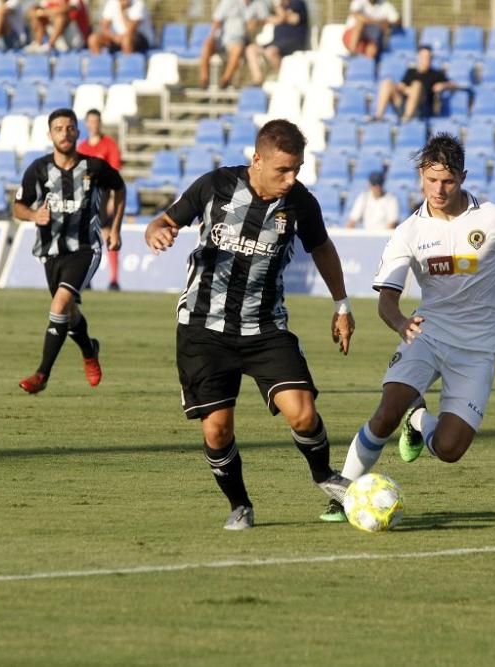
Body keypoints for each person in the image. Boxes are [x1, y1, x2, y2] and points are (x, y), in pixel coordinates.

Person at [320, 133, 495, 522]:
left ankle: (418, 419)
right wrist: (400, 323)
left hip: (478, 348)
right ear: (420, 177)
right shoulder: (409, 231)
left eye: (447, 181)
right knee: (386, 411)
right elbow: (386, 300)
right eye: (431, 180)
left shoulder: (494, 219)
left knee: (449, 448)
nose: (438, 189)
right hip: (427, 334)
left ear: (462, 176)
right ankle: (342, 494)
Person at [143, 119, 356, 530]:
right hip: (204, 329)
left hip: (265, 327)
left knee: (303, 414)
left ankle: (324, 476)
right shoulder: (215, 186)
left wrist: (342, 305)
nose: (291, 179)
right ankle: (240, 504)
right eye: (283, 170)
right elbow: (167, 221)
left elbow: (322, 248)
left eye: (297, 169)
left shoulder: (300, 204)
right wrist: (157, 231)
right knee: (218, 429)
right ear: (256, 160)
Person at [14, 108, 126, 394]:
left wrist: (115, 229)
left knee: (59, 304)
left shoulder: (94, 167)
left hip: (85, 248)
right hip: (51, 251)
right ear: (50, 134)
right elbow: (18, 206)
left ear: (78, 132)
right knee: (69, 313)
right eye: (59, 128)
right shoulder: (38, 169)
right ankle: (90, 350)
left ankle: (41, 375)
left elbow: (120, 187)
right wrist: (33, 216)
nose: (65, 133)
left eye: (70, 128)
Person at [77, 109, 124, 291]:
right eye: (90, 121)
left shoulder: (109, 145)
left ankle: (113, 279)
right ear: (87, 123)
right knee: (87, 237)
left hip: (104, 194)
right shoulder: (82, 147)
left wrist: (113, 197)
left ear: (100, 123)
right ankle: (87, 278)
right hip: (87, 196)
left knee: (106, 233)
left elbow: (115, 175)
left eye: (96, 121)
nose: (93, 124)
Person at [372, 45, 460, 123]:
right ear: (418, 57)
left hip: (422, 108)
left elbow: (454, 85)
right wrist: (409, 91)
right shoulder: (411, 72)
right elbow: (401, 86)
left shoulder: (436, 74)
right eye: (424, 57)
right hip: (404, 104)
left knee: (417, 85)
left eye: (429, 57)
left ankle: (407, 119)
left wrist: (444, 86)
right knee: (387, 82)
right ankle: (379, 116)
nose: (426, 59)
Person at [199, 0, 270, 88]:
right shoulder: (228, 2)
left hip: (239, 41)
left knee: (237, 48)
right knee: (207, 44)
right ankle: (204, 79)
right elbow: (217, 19)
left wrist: (256, 22)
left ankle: (225, 80)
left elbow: (266, 20)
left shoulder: (259, 4)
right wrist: (212, 36)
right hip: (221, 39)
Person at [249, 0, 309, 73]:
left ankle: (284, 76)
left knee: (270, 52)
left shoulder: (297, 3)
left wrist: (277, 6)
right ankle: (258, 81)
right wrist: (258, 22)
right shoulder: (281, 7)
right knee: (251, 49)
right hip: (277, 42)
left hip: (294, 41)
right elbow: (276, 19)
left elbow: (291, 19)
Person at [87, 0, 153, 54]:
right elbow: (104, 27)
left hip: (140, 38)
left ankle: (127, 66)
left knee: (127, 40)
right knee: (93, 39)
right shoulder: (111, 3)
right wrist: (114, 37)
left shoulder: (138, 4)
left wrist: (122, 11)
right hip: (118, 36)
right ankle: (99, 66)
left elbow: (131, 29)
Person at [26, 0, 91, 52]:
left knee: (61, 18)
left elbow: (67, 8)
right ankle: (39, 43)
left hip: (75, 38)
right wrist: (39, 12)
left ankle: (49, 45)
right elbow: (33, 11)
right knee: (36, 18)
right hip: (58, 38)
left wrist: (44, 12)